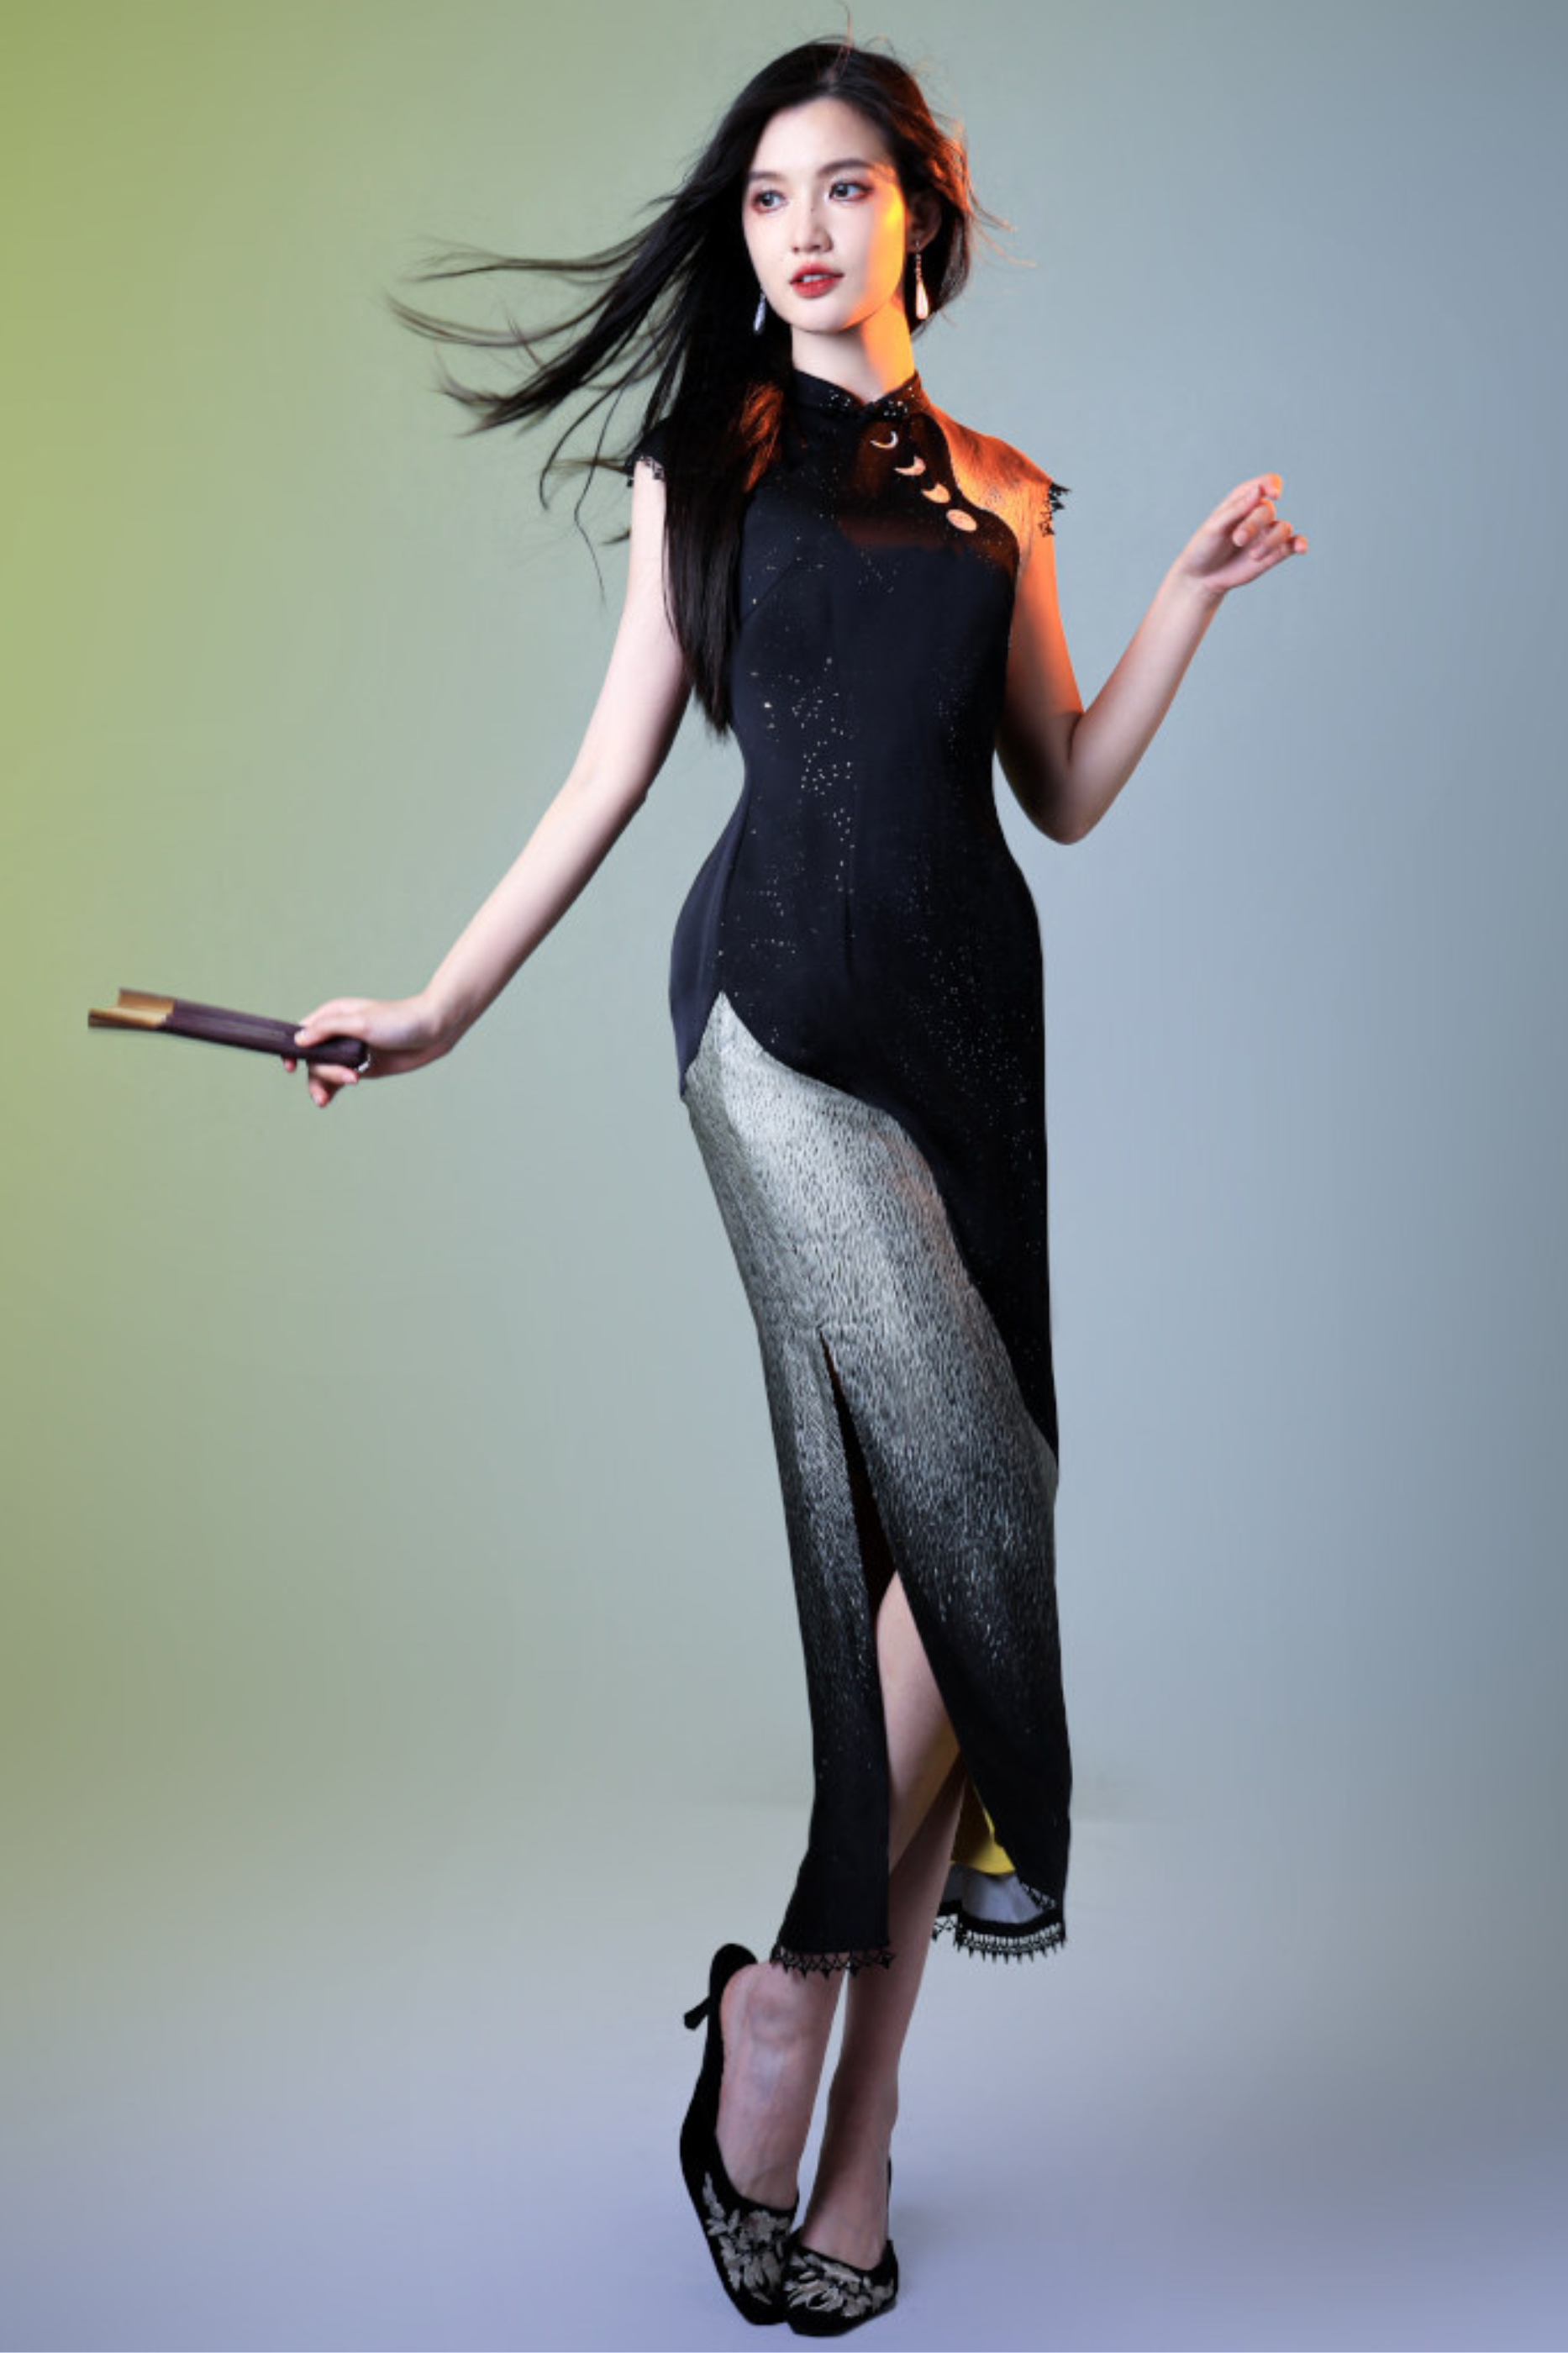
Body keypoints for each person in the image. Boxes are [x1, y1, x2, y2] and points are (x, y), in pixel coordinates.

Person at [283, 34, 1306, 2336]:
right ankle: (787, 1992)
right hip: (772, 1023)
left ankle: (855, 2154)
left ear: (919, 204)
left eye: (843, 186)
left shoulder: (1010, 489)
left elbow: (1063, 786)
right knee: (970, 1536)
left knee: (966, 1555)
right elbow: (606, 777)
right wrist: (437, 1004)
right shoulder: (710, 461)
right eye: (767, 199)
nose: (804, 230)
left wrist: (1180, 600)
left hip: (976, 1046)